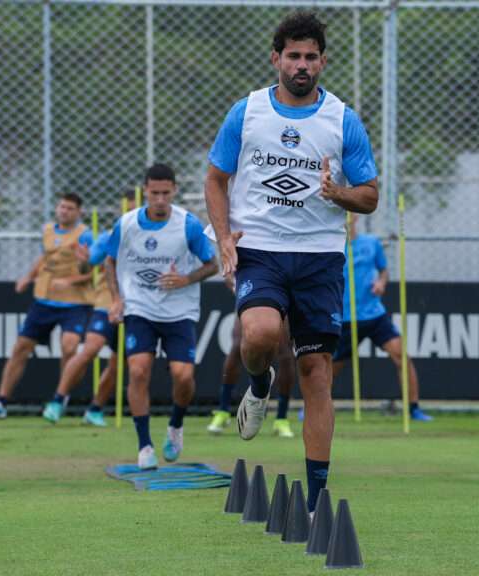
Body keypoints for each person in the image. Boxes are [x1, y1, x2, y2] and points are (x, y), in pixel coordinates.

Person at [204, 10, 379, 513]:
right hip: (259, 249)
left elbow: (368, 197)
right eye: (293, 56)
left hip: (321, 258)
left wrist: (337, 192)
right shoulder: (247, 112)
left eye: (311, 57)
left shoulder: (343, 119)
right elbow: (217, 179)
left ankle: (316, 503)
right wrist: (223, 239)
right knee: (258, 336)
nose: (302, 64)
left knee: (315, 374)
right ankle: (257, 386)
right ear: (275, 58)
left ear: (323, 62)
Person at [104, 163, 219, 470]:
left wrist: (185, 279)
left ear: (174, 191)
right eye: (153, 193)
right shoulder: (127, 223)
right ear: (145, 191)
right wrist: (116, 298)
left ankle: (176, 425)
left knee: (184, 377)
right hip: (139, 309)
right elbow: (109, 262)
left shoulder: (188, 225)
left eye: (165, 193)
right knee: (138, 372)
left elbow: (212, 265)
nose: (159, 199)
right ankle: (144, 446)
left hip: (179, 312)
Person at [0, 193, 95, 419]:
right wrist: (28, 277)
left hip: (74, 303)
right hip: (44, 301)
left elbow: (91, 272)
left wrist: (69, 280)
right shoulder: (48, 230)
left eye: (70, 208)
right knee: (20, 347)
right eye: (62, 207)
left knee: (69, 346)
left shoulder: (86, 235)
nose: (64, 211)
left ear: (79, 213)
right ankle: (1, 402)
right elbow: (44, 259)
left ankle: (60, 398)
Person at [41, 193, 138, 426]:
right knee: (90, 349)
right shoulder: (108, 236)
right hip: (106, 302)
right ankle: (57, 400)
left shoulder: (152, 236)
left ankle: (95, 409)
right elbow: (89, 263)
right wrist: (83, 259)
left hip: (137, 306)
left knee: (118, 364)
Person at [333, 214, 433, 421]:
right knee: (329, 368)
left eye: (349, 215)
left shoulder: (371, 243)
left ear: (356, 218)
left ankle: (413, 408)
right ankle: (311, 407)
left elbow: (384, 271)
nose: (346, 219)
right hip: (345, 318)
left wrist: (381, 283)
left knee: (402, 357)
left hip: (374, 315)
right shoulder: (332, 246)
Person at [206, 277, 297, 438]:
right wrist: (230, 273)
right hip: (253, 281)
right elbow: (229, 261)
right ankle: (223, 411)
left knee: (285, 353)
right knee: (237, 346)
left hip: (282, 284)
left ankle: (281, 418)